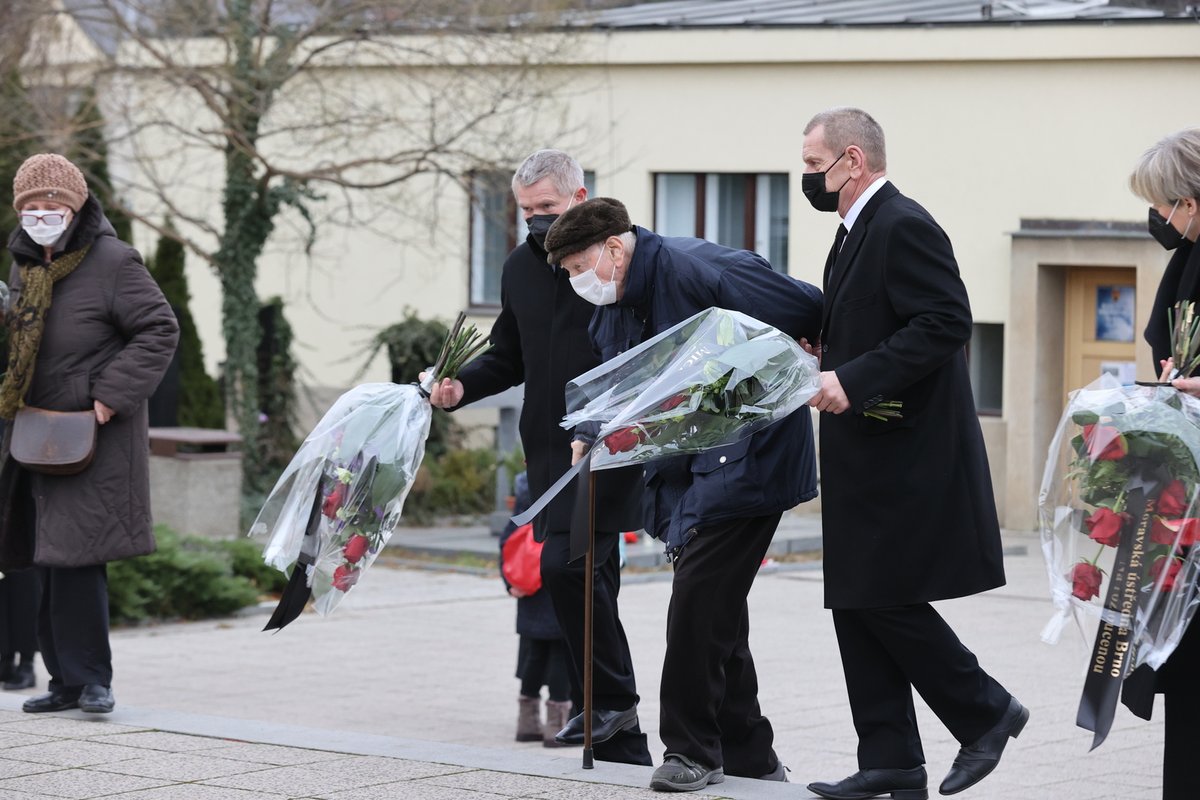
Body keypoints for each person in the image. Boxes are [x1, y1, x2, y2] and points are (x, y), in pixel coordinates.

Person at [542, 196, 823, 792]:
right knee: (717, 608)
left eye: (576, 270)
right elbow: (628, 382)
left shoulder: (701, 268)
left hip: (754, 456)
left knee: (696, 601)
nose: (576, 284)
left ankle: (692, 751)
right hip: (690, 466)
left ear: (614, 250)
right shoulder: (617, 304)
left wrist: (793, 367)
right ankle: (752, 756)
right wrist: (594, 430)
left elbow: (808, 310)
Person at [799, 107, 1027, 800]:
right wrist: (828, 350)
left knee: (884, 599)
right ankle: (891, 760)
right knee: (857, 599)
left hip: (902, 455)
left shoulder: (902, 223)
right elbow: (884, 321)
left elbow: (945, 321)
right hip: (864, 452)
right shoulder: (853, 231)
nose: (806, 177)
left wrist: (853, 377)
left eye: (814, 165)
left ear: (853, 162)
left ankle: (986, 710)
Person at [423, 150, 651, 766]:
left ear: (579, 196)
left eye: (546, 209)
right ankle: (613, 724)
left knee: (568, 570)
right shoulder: (520, 268)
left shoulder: (614, 260)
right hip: (548, 453)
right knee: (588, 577)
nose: (535, 222)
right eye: (525, 211)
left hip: (607, 446)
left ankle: (610, 702)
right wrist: (460, 387)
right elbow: (507, 355)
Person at [0, 153, 179, 714]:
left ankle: (93, 680)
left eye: (52, 202)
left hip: (91, 434)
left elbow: (159, 328)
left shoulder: (113, 260)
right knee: (45, 557)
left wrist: (108, 397)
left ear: (75, 206)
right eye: (31, 204)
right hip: (34, 431)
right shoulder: (24, 266)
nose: (41, 212)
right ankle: (64, 682)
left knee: (79, 558)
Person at [1123, 126, 1200, 800]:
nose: (1160, 220)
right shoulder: (1186, 261)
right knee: (1185, 669)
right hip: (1192, 493)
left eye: (1165, 205)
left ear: (1191, 200)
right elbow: (1164, 338)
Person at [498, 471, 574, 748]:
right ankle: (557, 725)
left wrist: (509, 581)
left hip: (528, 589)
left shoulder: (525, 486)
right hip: (555, 583)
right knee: (559, 658)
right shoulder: (566, 482)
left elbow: (509, 539)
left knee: (534, 655)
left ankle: (527, 723)